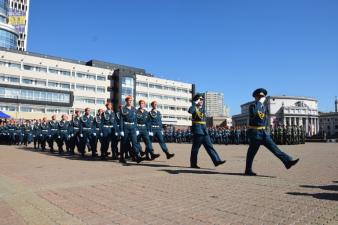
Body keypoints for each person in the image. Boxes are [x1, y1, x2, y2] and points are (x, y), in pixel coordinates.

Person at [245, 88, 299, 176]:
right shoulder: (253, 106)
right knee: (251, 153)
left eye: (263, 96)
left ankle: (287, 162)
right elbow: (253, 115)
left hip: (264, 133)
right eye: (260, 96)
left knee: (275, 149)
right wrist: (259, 103)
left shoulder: (264, 107)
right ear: (256, 97)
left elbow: (265, 120)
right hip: (255, 133)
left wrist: (267, 131)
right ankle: (248, 170)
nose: (262, 97)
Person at [188, 93, 226, 169]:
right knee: (195, 148)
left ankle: (217, 161)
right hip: (198, 130)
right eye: (200, 99)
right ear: (196, 100)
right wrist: (194, 103)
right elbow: (190, 111)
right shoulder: (194, 108)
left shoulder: (202, 109)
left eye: (202, 100)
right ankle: (193, 164)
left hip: (204, 131)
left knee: (210, 146)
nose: (201, 101)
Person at [119, 96, 144, 164]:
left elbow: (135, 120)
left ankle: (137, 156)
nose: (130, 101)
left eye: (131, 100)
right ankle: (121, 156)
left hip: (133, 127)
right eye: (129, 100)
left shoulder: (134, 109)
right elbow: (121, 120)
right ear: (126, 101)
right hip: (126, 127)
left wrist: (136, 129)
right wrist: (121, 130)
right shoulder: (123, 109)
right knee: (124, 143)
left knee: (134, 142)